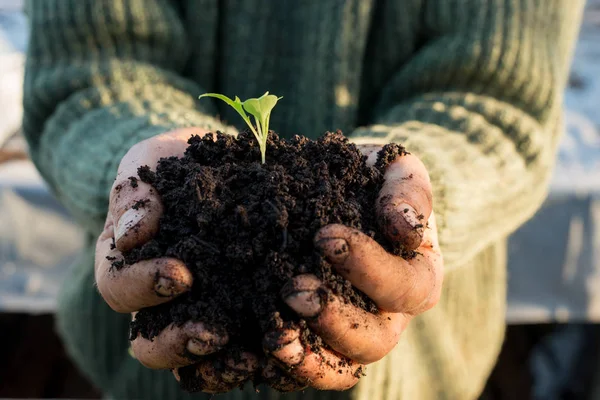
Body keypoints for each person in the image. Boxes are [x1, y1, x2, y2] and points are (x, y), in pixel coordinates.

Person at [22, 1, 583, 399]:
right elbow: (89, 72)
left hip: (424, 373)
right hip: (141, 372)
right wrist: (161, 174)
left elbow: (499, 102)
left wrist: (416, 195)